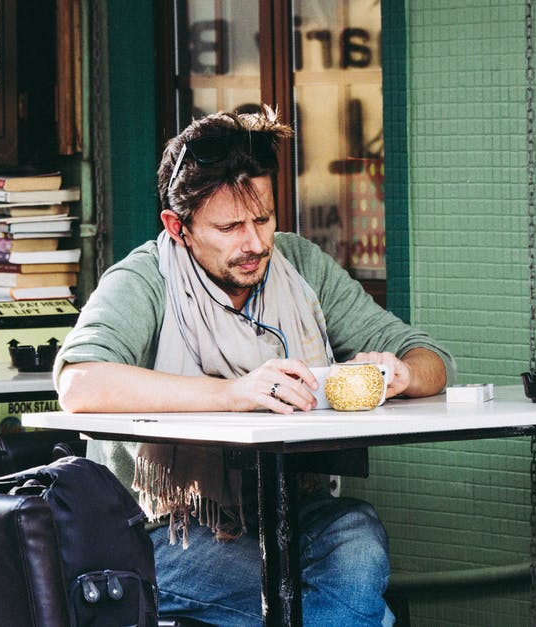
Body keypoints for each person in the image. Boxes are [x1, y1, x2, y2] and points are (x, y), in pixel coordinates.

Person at [53, 106, 454, 626]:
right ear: (179, 228)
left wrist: (401, 374)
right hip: (159, 530)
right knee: (324, 596)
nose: (255, 243)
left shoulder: (300, 265)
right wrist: (231, 393)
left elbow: (431, 359)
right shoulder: (144, 279)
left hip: (280, 512)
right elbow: (80, 382)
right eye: (230, 226)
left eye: (263, 218)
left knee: (356, 534)